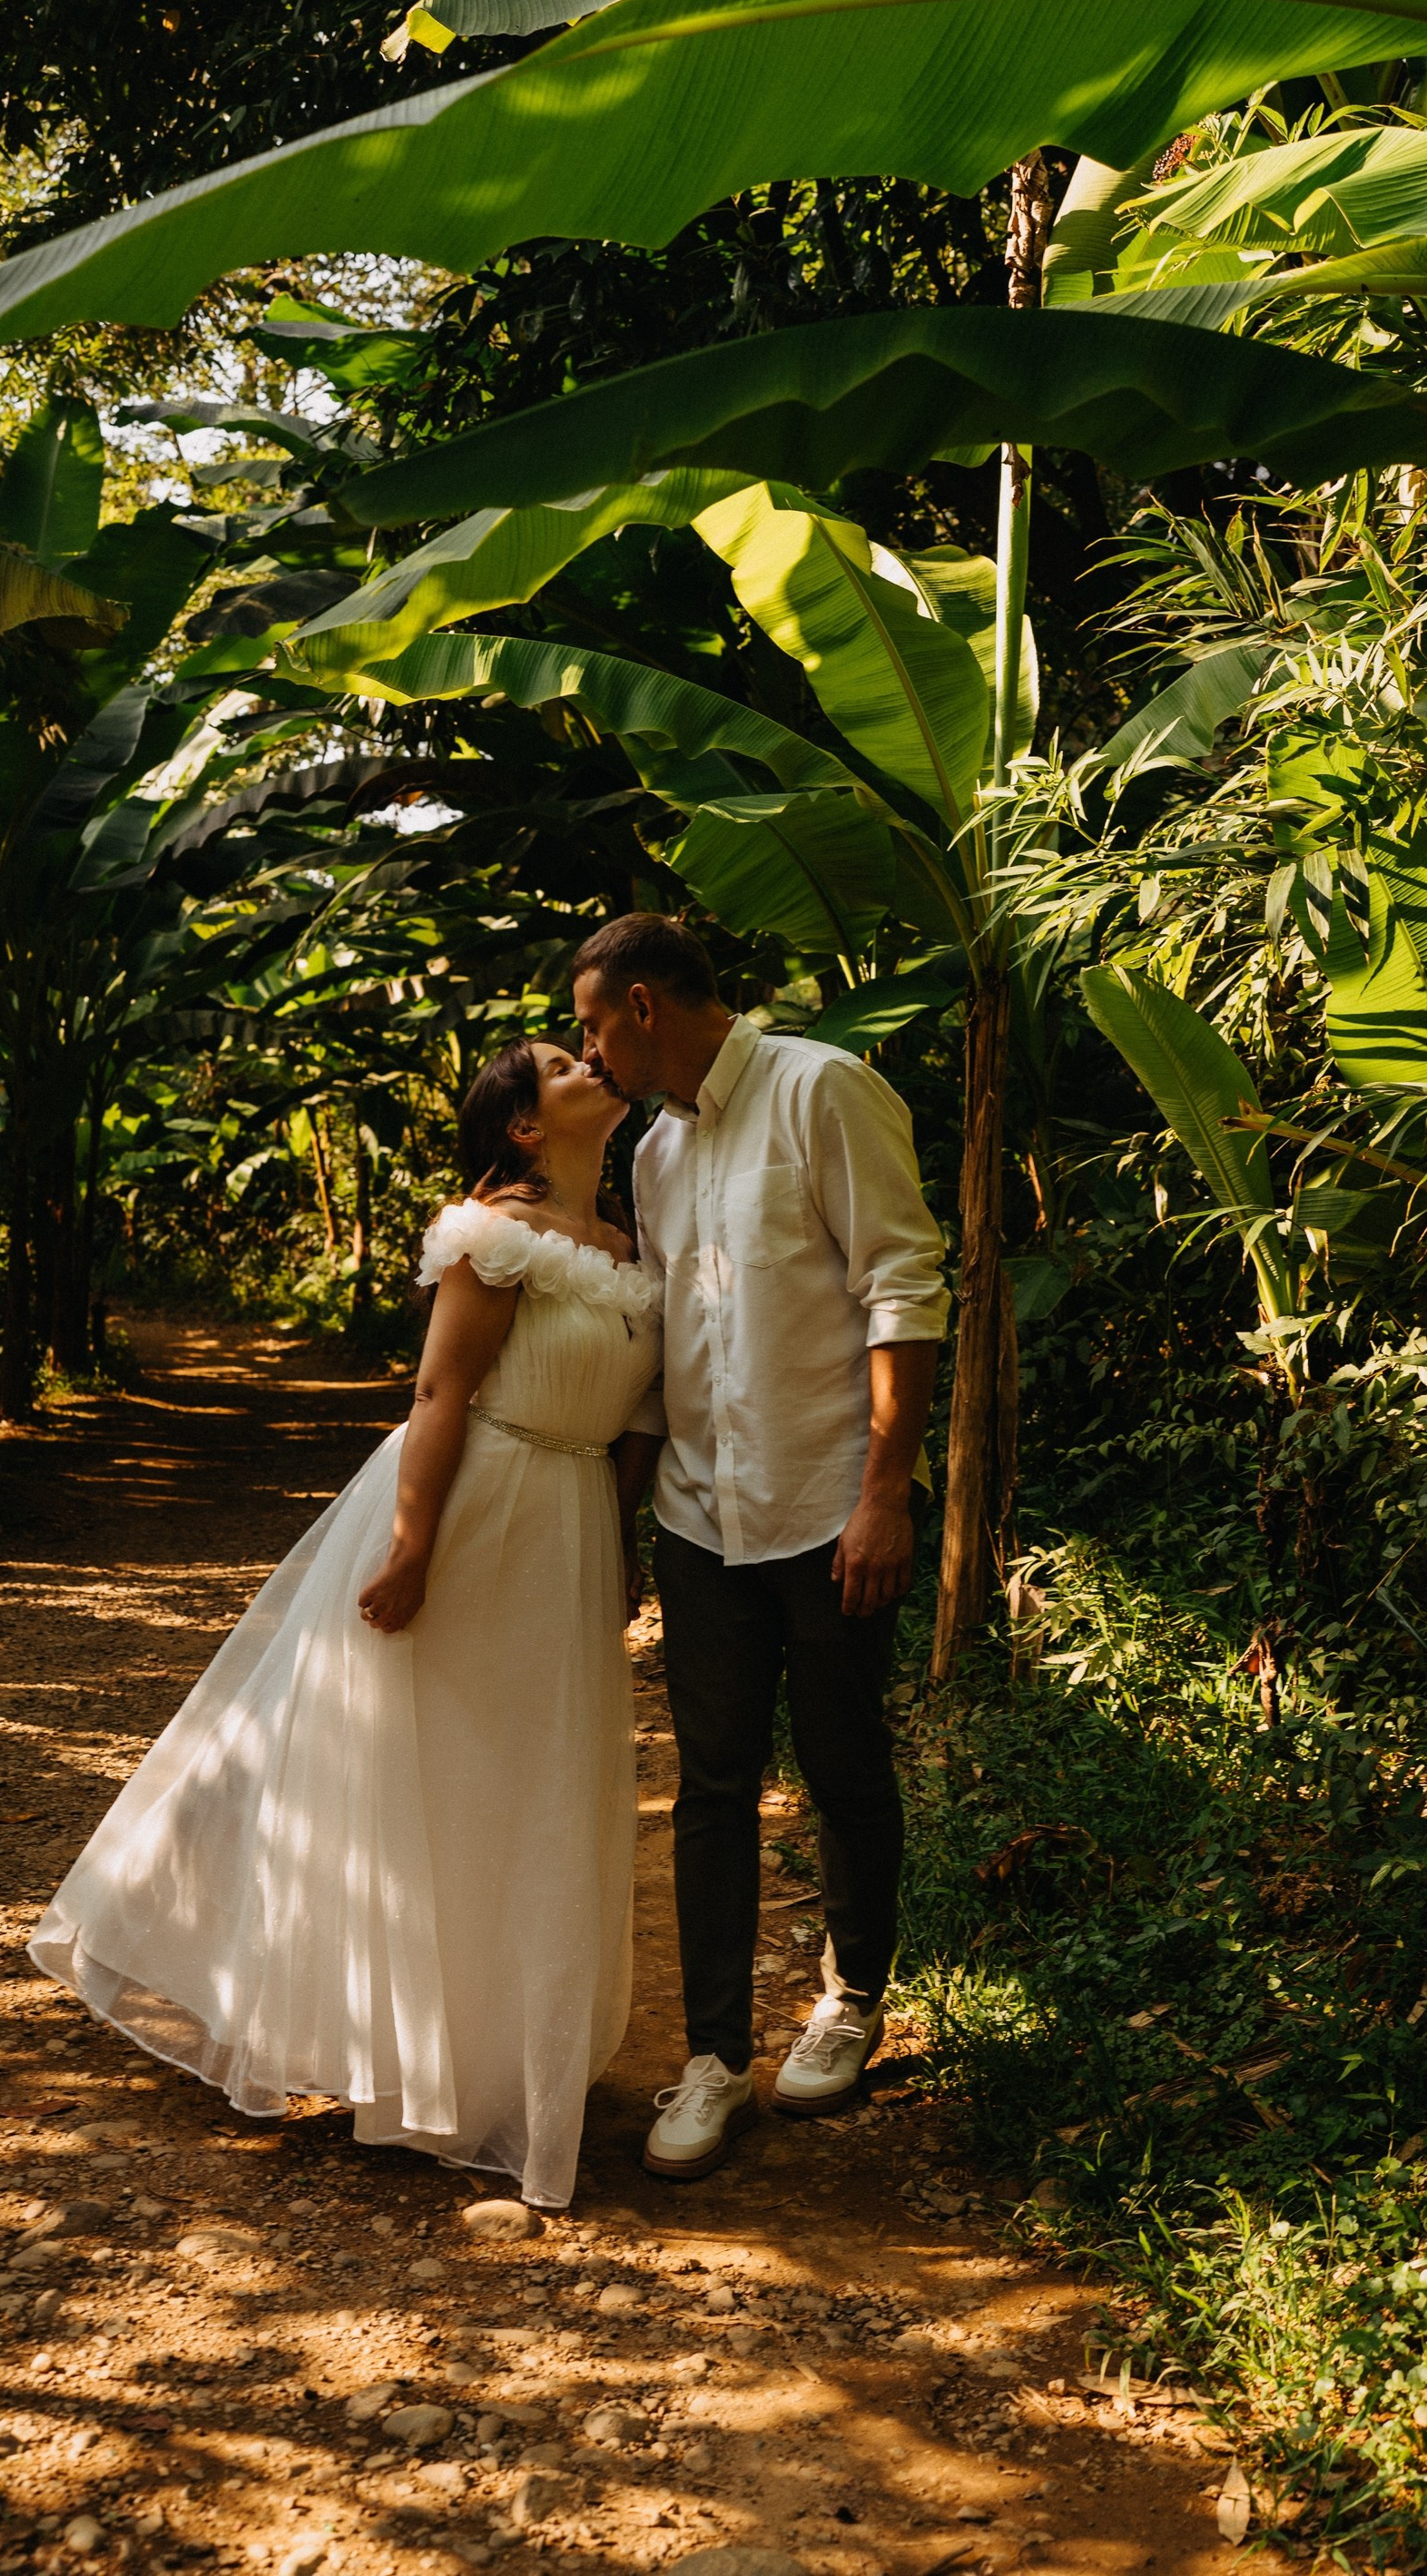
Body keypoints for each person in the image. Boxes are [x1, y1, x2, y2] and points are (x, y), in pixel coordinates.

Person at [29, 1040, 661, 2211]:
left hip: (568, 1532)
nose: (594, 1064)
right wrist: (413, 1544)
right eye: (564, 1063)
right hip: (478, 1507)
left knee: (532, 1782)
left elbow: (636, 1429)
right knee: (431, 1770)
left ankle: (495, 2059)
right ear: (524, 1126)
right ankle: (396, 2056)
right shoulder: (492, 1233)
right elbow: (439, 1393)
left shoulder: (632, 1242)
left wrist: (620, 1546)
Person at [573, 914, 947, 2179]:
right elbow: (661, 1346)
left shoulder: (821, 1086)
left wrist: (884, 1495)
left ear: (638, 1005)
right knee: (713, 1785)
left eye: (588, 1025)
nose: (587, 1053)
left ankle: (848, 2001)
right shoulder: (653, 1150)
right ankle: (715, 2058)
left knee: (845, 1764)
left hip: (828, 1506)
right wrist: (622, 1522)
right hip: (698, 1515)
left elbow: (905, 1286)